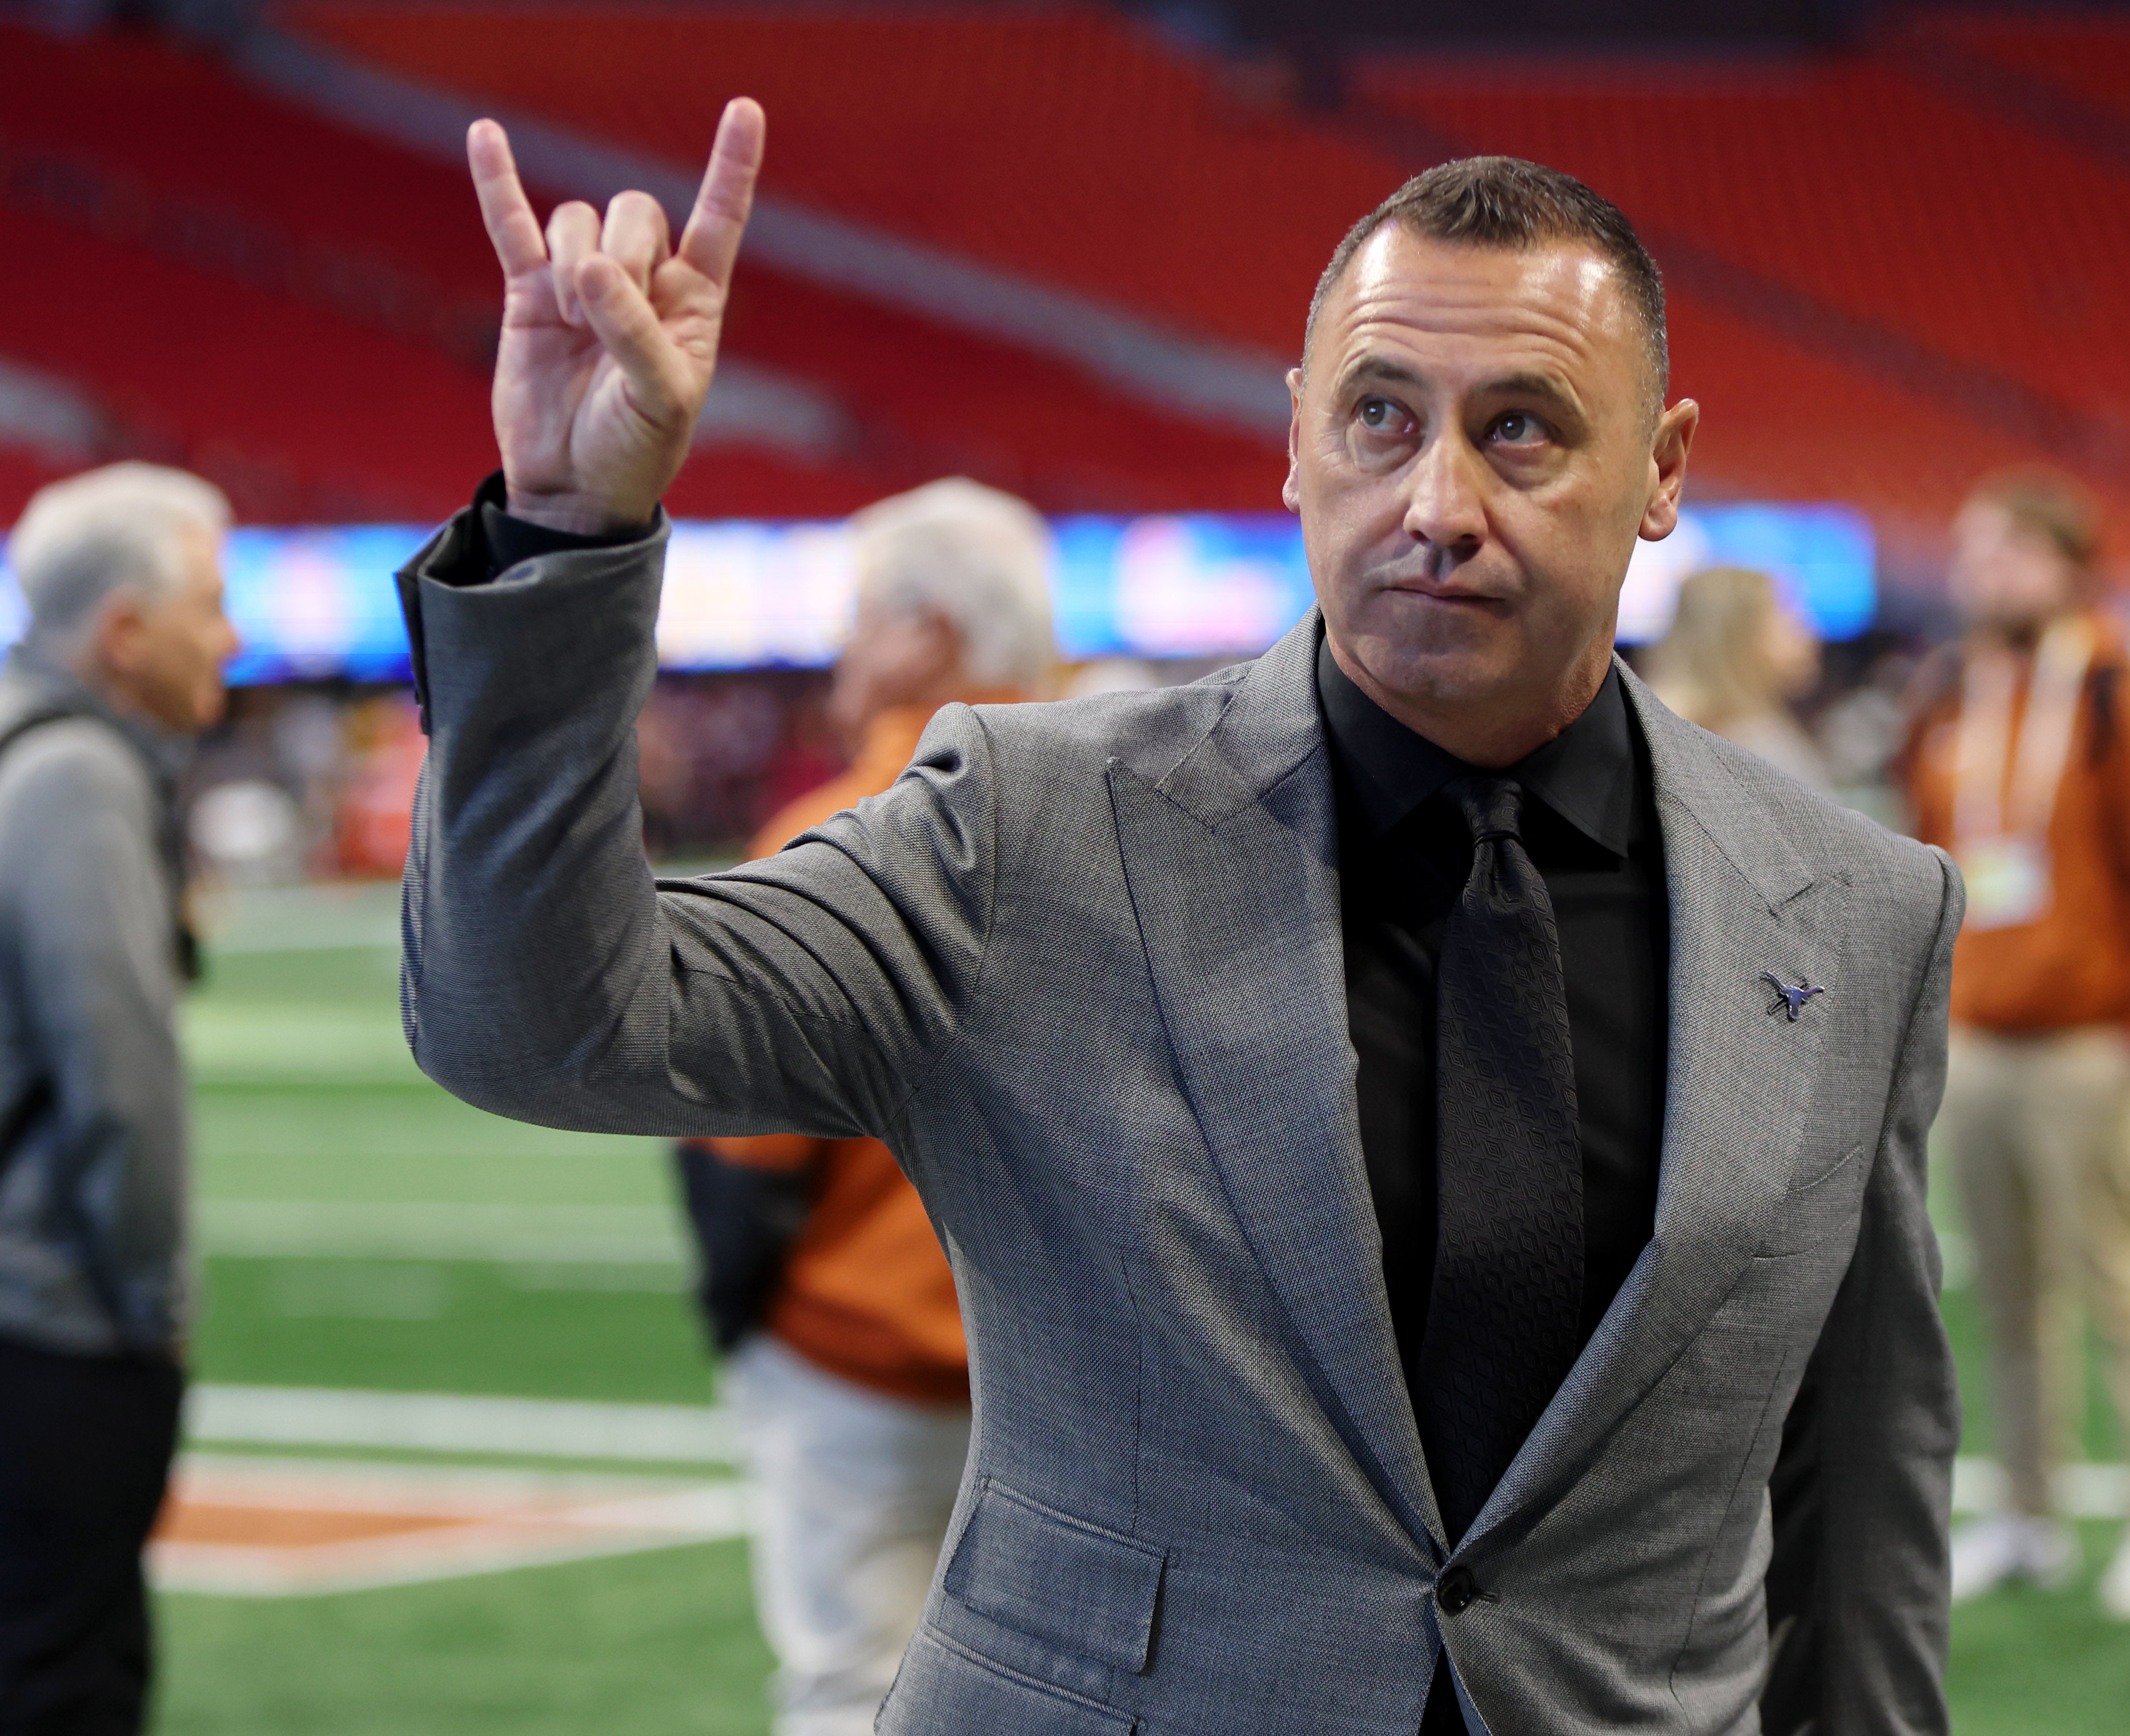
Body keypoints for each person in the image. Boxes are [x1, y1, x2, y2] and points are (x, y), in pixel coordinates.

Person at [401, 104, 1964, 1735]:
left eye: (1519, 429)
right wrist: (565, 546)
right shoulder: (1024, 826)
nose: (1433, 499)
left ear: (1659, 468)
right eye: (1377, 415)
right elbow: (542, 1021)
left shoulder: (1855, 911)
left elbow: (1855, 1495)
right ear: (1293, 440)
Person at [676, 478, 1055, 1734]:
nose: (842, 648)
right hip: (1077, 1364)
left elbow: (746, 1139)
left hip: (869, 1352)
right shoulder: (1128, 814)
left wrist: (740, 1307)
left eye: (859, 617)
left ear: (925, 630)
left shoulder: (846, 829)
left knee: (856, 1688)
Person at [1899, 470, 2130, 1624]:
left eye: (2011, 553)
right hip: (1982, 1039)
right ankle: (2028, 1515)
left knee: (2122, 1281)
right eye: (1972, 552)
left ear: (2069, 566)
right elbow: (1926, 858)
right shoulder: (1946, 694)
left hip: (2094, 1039)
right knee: (2006, 1292)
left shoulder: (2114, 694)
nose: (1986, 574)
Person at [0, 462, 238, 1733]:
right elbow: (119, 1075)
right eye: (209, 600)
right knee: (69, 1678)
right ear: (124, 630)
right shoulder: (77, 777)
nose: (233, 633)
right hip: (50, 1319)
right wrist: (154, 1306)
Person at [1643, 565, 1830, 789]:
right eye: (1788, 615)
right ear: (1738, 633)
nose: (1811, 633)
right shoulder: (1750, 746)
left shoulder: (1655, 726)